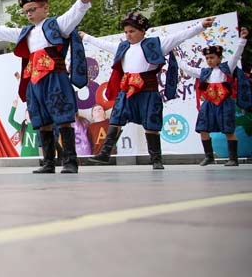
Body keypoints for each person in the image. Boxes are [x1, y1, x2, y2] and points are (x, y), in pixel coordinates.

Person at [0, 0, 91, 174]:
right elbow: (4, 32)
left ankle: (70, 162)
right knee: (42, 121)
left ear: (45, 7)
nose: (29, 14)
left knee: (64, 119)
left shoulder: (56, 25)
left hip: (55, 78)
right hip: (35, 81)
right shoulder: (26, 33)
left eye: (32, 9)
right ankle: (48, 163)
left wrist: (82, 2)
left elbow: (72, 15)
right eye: (26, 11)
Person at [84, 11, 215, 169]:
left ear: (142, 31)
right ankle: (105, 153)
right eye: (126, 32)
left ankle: (156, 160)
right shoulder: (123, 47)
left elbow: (180, 36)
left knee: (151, 124)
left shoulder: (155, 44)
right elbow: (103, 44)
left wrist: (201, 26)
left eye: (132, 31)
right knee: (116, 119)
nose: (128, 35)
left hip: (148, 90)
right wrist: (86, 37)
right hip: (127, 91)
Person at [176, 28, 249, 166]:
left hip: (225, 103)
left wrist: (242, 39)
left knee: (228, 130)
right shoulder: (204, 72)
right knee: (202, 128)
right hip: (209, 104)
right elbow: (187, 69)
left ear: (219, 58)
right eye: (207, 58)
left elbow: (237, 54)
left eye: (212, 57)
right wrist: (177, 57)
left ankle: (233, 159)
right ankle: (209, 156)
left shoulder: (227, 68)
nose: (209, 60)